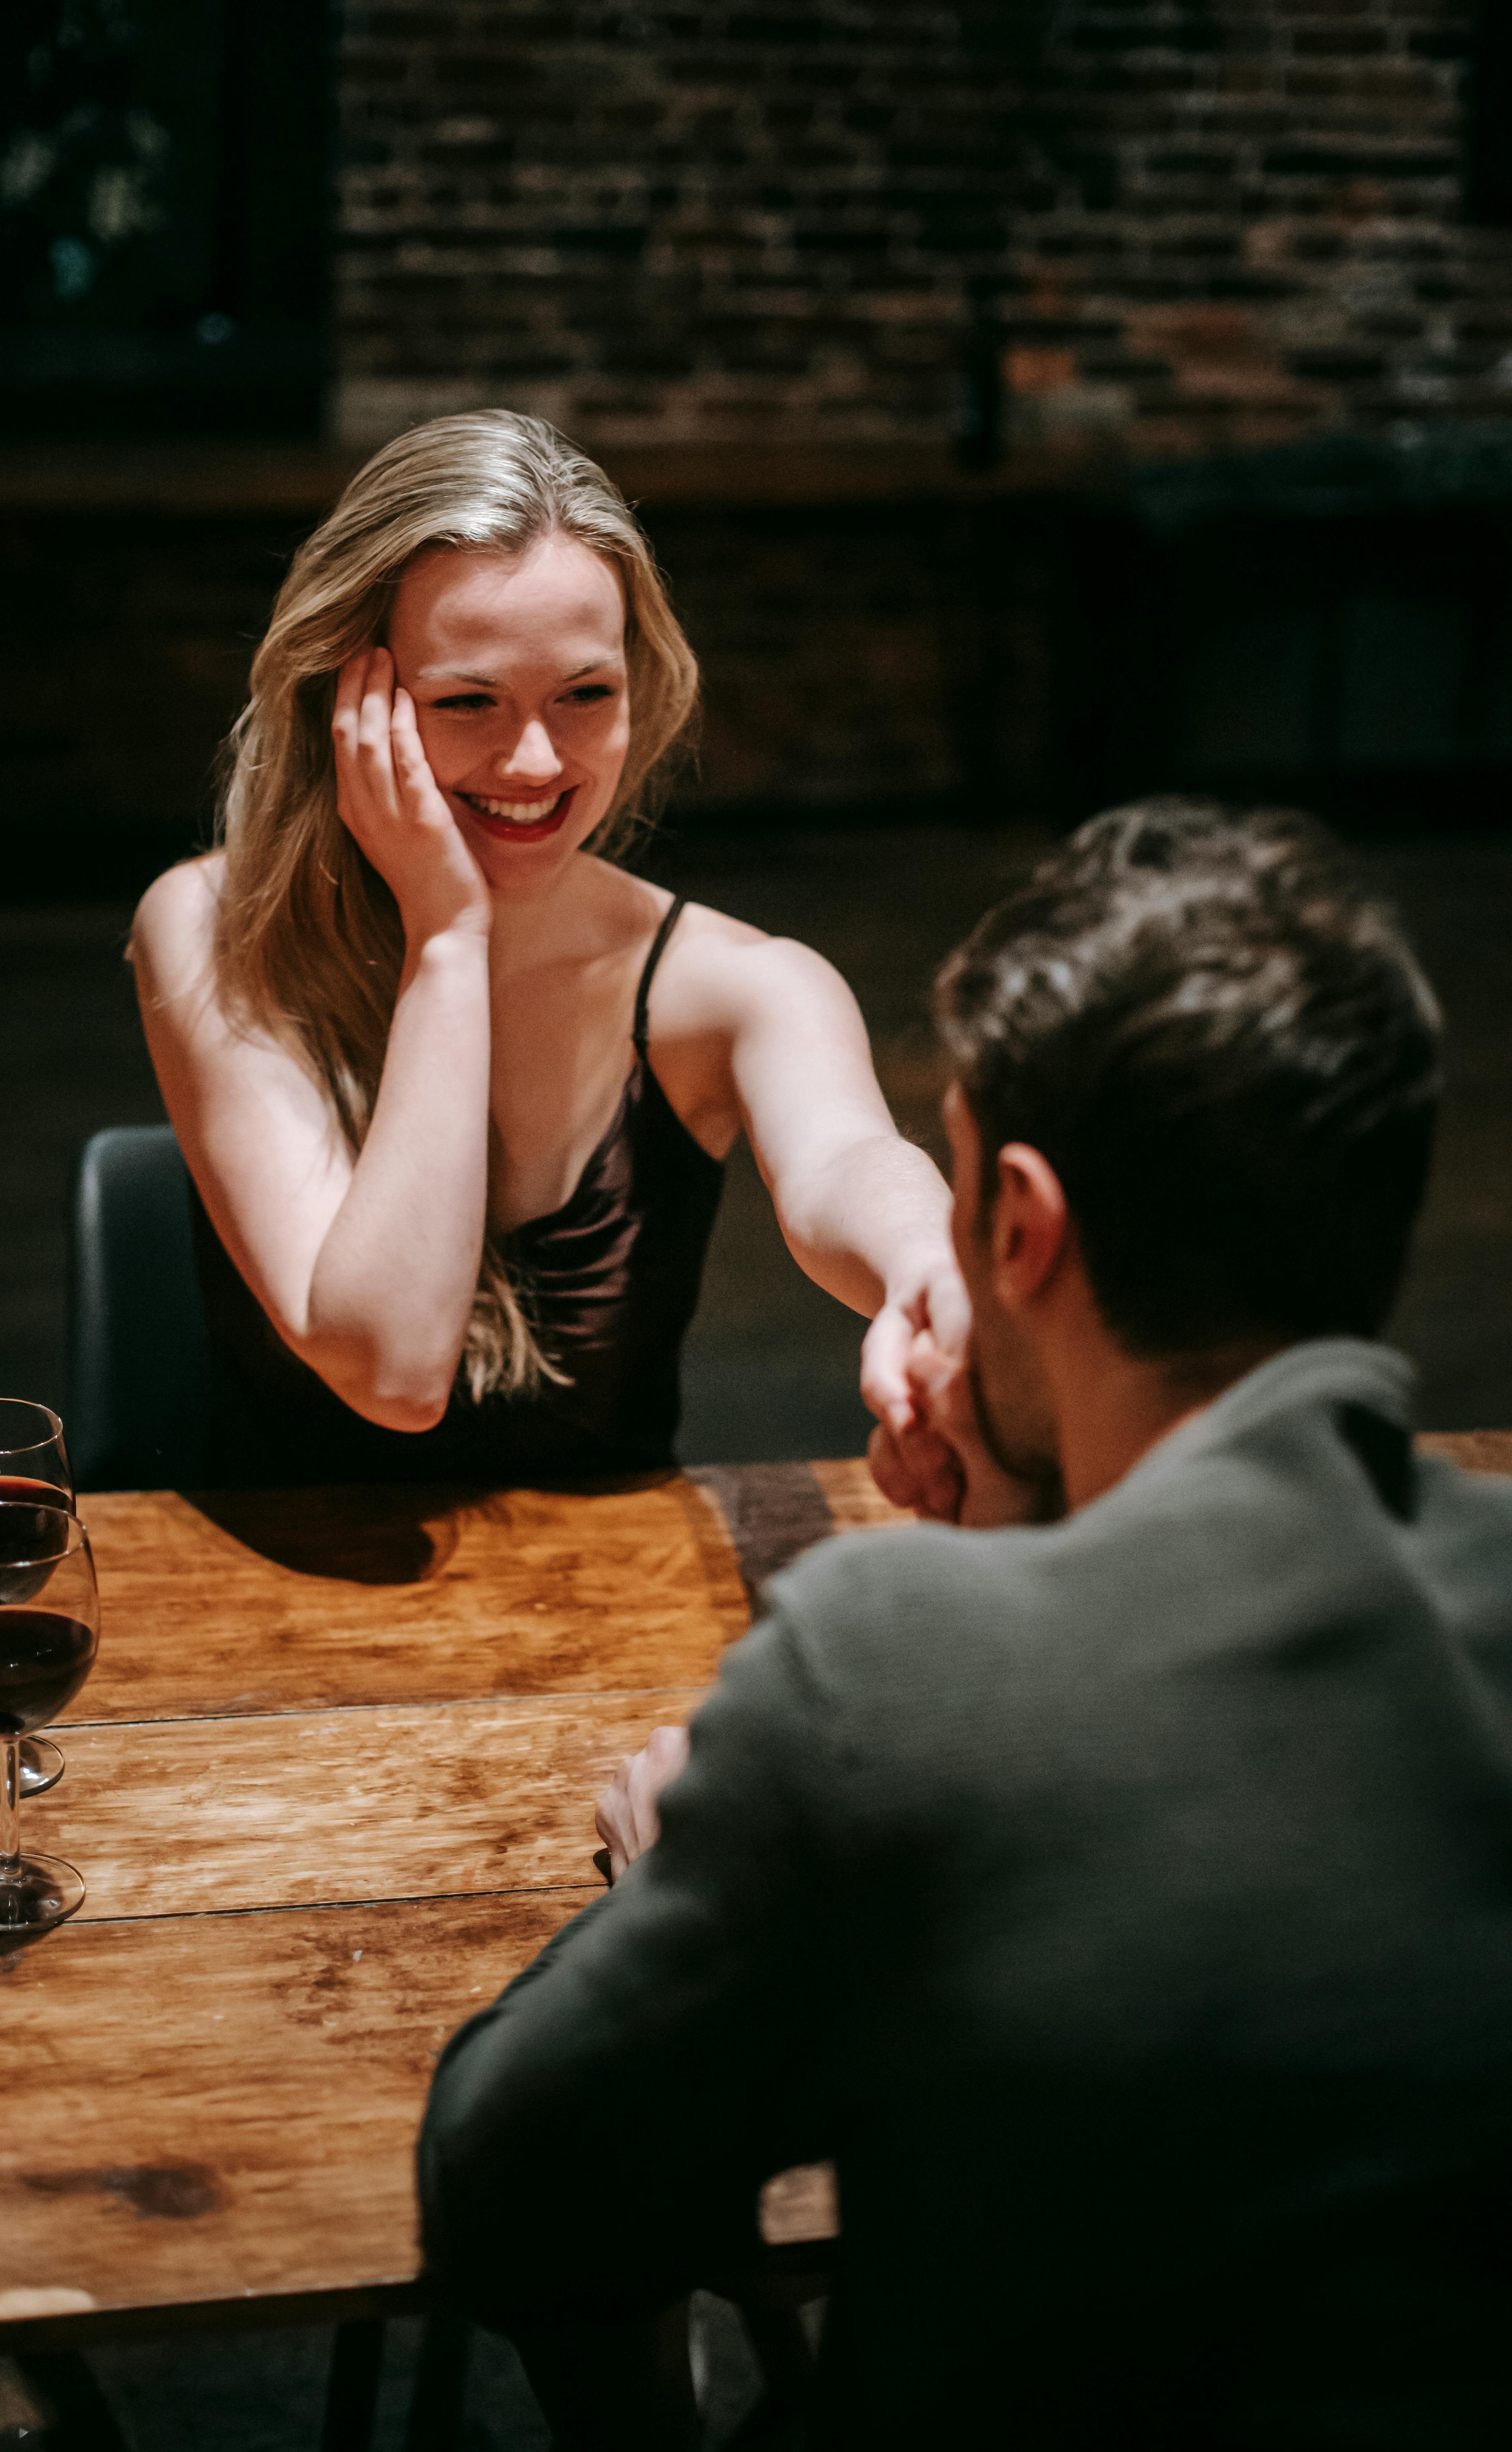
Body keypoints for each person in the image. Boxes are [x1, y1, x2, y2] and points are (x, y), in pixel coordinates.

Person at [418, 798, 1512, 2448]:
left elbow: (512, 2206)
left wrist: (683, 1869)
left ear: (1020, 1225)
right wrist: (1032, 1509)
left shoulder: (895, 1679)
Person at [130, 410, 962, 1485]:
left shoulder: (741, 983)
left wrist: (930, 1267)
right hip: (279, 1612)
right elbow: (393, 1370)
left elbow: (848, 1160)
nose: (534, 763)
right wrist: (449, 940)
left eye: (585, 694)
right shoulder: (207, 926)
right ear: (345, 699)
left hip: (614, 1622)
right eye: (468, 700)